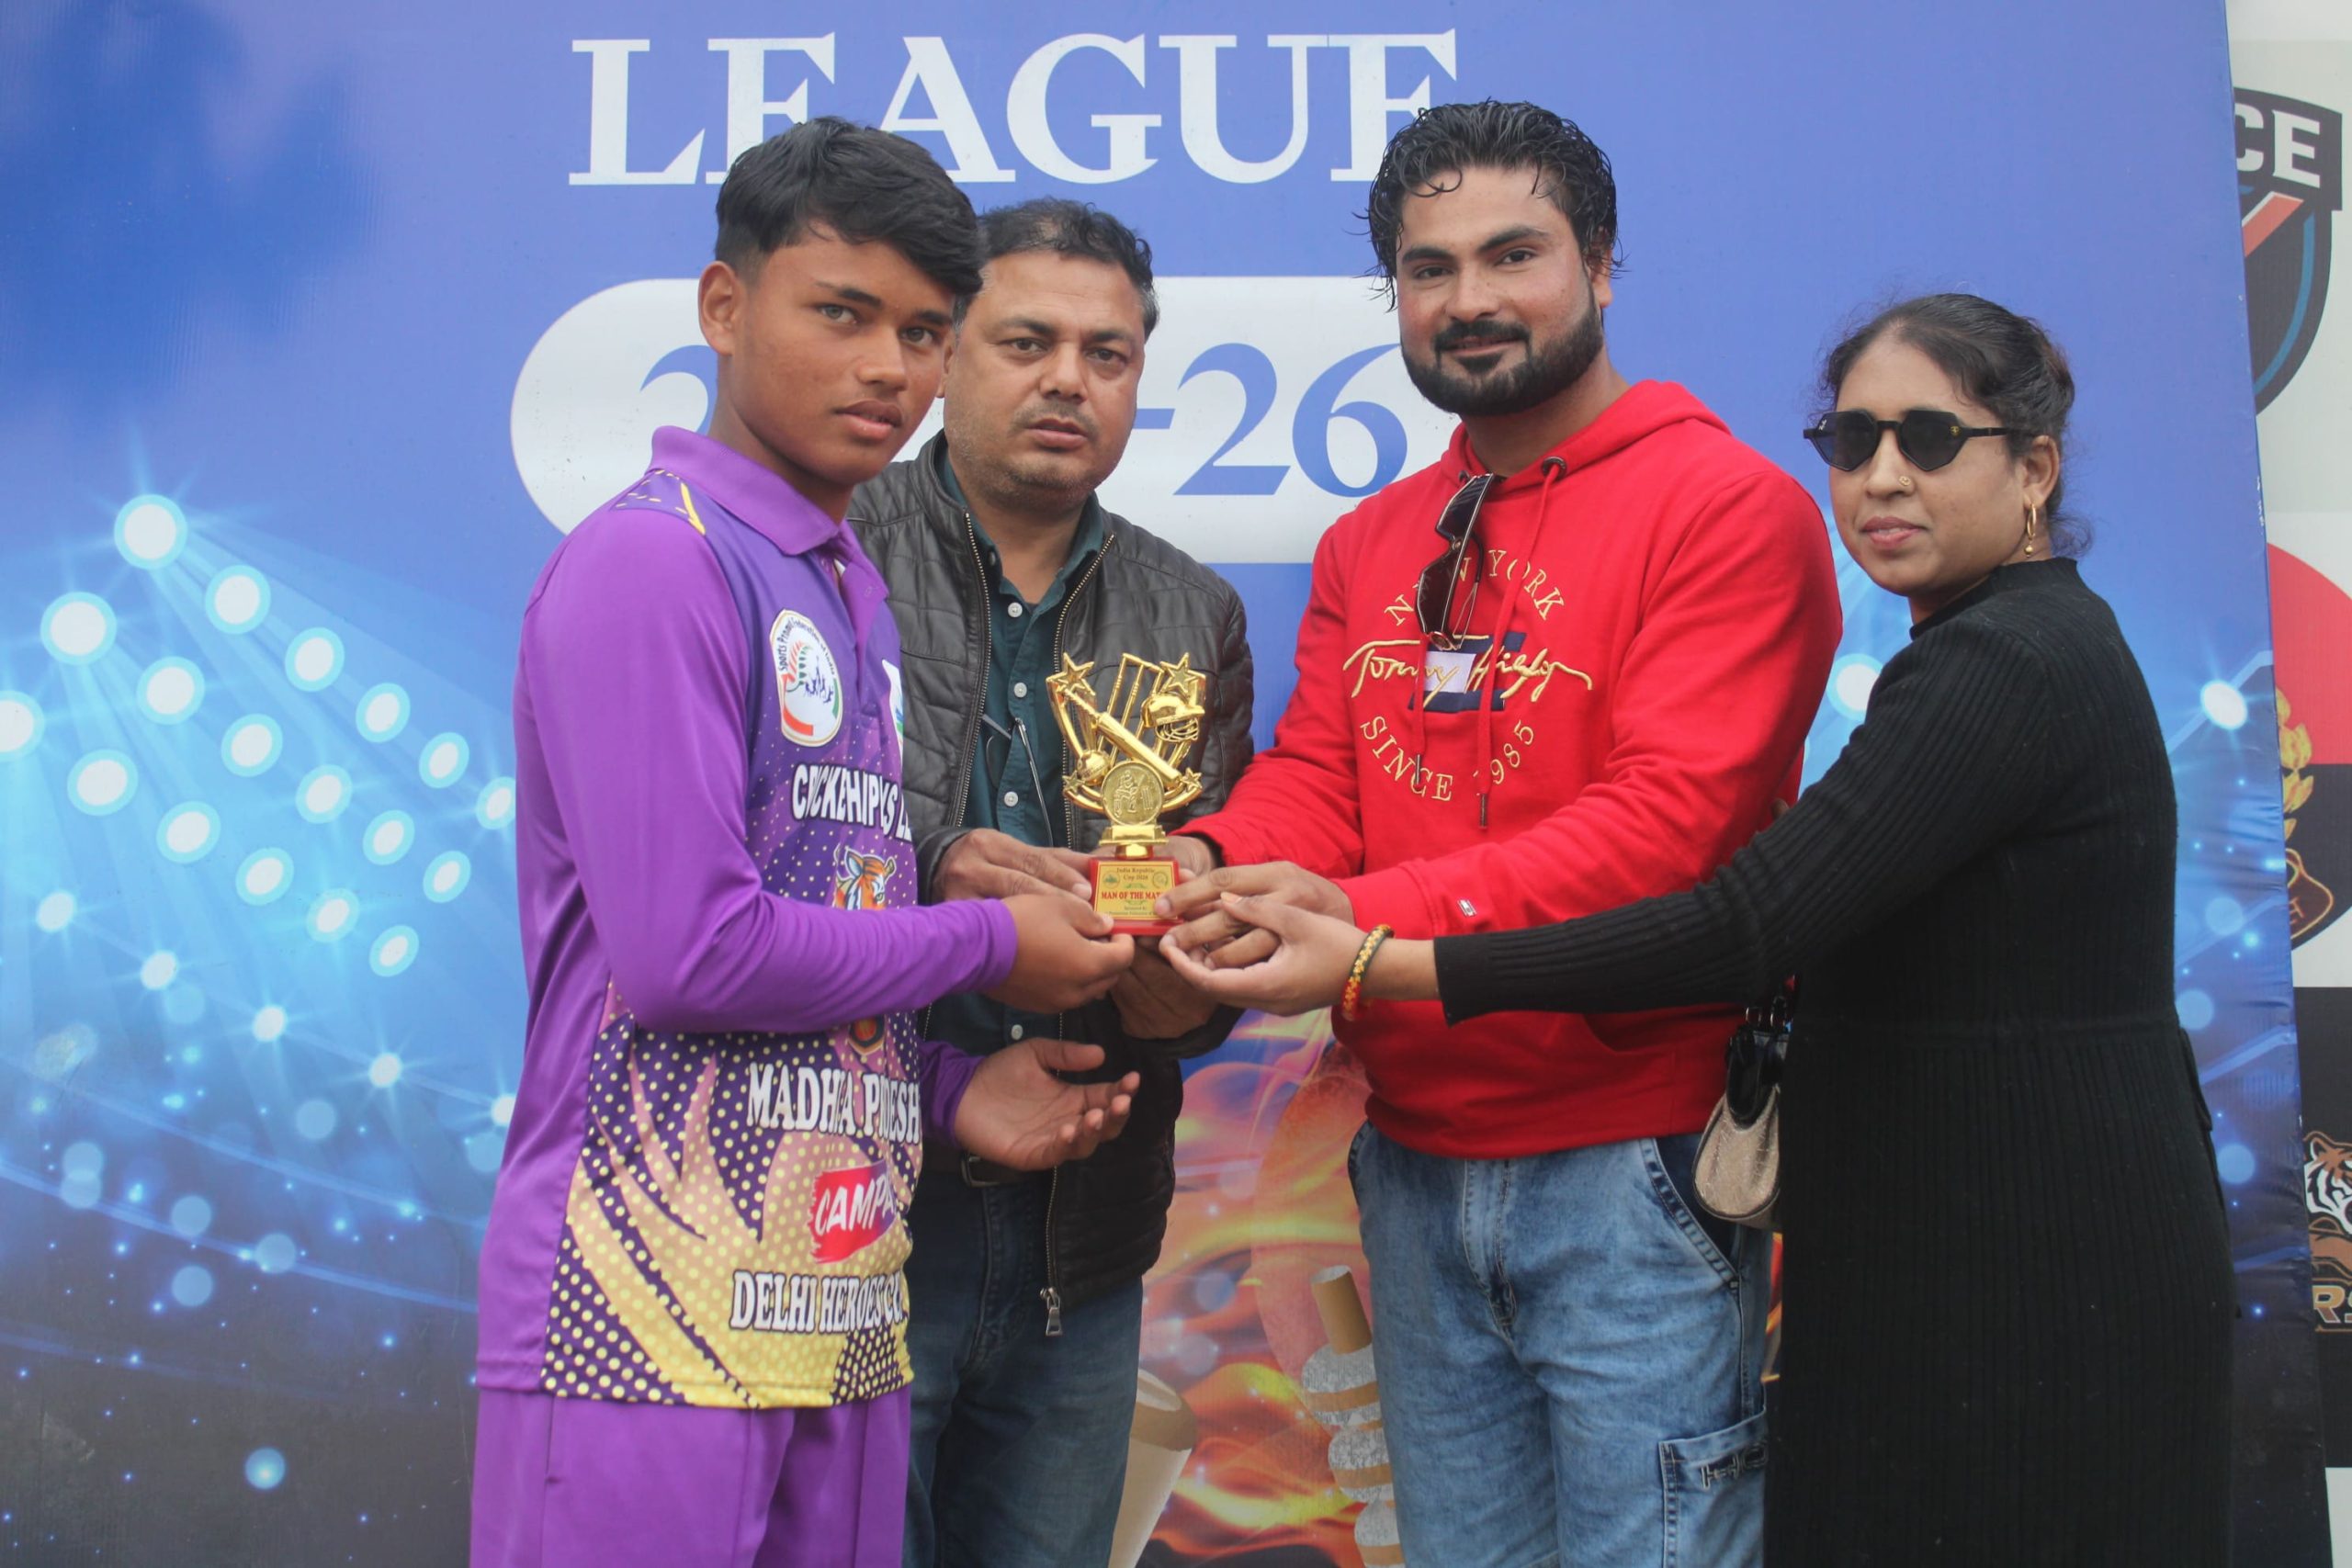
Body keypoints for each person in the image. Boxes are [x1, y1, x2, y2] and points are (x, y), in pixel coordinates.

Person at [1165, 293, 2236, 1566]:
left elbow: (1742, 922)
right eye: (1853, 440)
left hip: (2025, 1264)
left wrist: (1385, 960)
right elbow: (1324, 775)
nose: (1883, 477)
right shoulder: (1985, 646)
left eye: (1933, 439)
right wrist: (1216, 859)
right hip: (1958, 1237)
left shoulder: (2005, 660)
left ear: (2036, 468)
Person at [1156, 102, 1841, 1567]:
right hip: (1407, 1158)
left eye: (1513, 254)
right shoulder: (1373, 539)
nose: (1469, 298)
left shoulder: (1729, 508)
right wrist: (1209, 865)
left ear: (1601, 263)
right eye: (1429, 268)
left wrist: (1353, 932)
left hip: (1636, 1168)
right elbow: (1320, 777)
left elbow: (1667, 836)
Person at [472, 121, 1145, 1568]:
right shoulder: (654, 560)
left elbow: (814, 918)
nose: (887, 368)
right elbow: (689, 957)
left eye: (922, 330)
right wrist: (990, 942)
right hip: (636, 1302)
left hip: (834, 1307)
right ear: (725, 308)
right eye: (841, 313)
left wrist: (946, 1087)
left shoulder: (843, 589)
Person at [848, 198, 1252, 1568]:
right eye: (1027, 342)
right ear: (944, 352)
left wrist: (1180, 985)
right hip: (850, 1209)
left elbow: (1204, 941)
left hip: (1084, 1239)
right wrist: (941, 881)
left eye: (1107, 354)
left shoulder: (1193, 611)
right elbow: (742, 865)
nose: (1069, 380)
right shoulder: (824, 553)